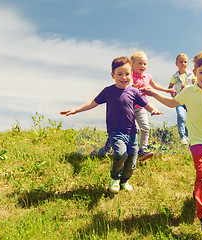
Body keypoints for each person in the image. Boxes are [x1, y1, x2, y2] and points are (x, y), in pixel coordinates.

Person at [141, 50, 202, 232]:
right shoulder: (189, 91)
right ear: (194, 73)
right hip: (198, 141)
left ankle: (199, 191)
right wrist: (153, 94)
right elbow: (171, 103)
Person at [60, 57, 162, 194]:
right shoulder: (108, 91)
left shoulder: (134, 91)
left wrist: (153, 110)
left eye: (127, 74)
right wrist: (76, 110)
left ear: (131, 74)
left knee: (131, 162)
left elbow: (146, 104)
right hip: (116, 131)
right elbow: (93, 102)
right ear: (113, 75)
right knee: (121, 154)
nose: (123, 77)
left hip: (132, 132)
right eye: (119, 74)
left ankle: (124, 181)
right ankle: (115, 179)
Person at [131, 51, 176, 161]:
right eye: (140, 63)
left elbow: (155, 86)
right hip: (128, 108)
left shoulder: (147, 76)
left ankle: (142, 150)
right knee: (128, 130)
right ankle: (112, 144)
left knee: (145, 128)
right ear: (132, 64)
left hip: (141, 107)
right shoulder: (129, 76)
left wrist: (167, 90)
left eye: (145, 64)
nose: (143, 66)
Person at [168, 53, 196, 144]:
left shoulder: (191, 74)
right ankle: (183, 137)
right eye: (181, 62)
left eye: (185, 62)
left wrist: (187, 86)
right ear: (176, 64)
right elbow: (170, 87)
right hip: (179, 99)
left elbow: (196, 85)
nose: (183, 63)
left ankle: (189, 135)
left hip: (189, 99)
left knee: (190, 117)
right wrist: (172, 92)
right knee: (181, 116)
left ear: (188, 63)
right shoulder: (174, 76)